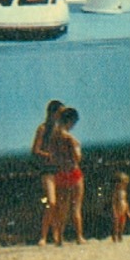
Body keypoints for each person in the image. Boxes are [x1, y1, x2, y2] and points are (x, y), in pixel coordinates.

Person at [31, 99, 64, 246]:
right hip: (47, 170)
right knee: (51, 202)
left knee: (58, 204)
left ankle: (56, 236)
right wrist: (49, 155)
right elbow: (35, 150)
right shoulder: (43, 129)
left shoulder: (59, 130)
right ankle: (44, 236)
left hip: (58, 168)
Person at [52, 105, 85, 245]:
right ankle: (79, 237)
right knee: (76, 207)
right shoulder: (70, 139)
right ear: (70, 121)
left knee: (62, 208)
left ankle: (59, 238)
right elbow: (77, 157)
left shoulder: (54, 137)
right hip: (73, 172)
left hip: (60, 173)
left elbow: (53, 157)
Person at [110, 172, 130, 243]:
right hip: (117, 211)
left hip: (123, 211)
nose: (125, 185)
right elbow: (114, 202)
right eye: (124, 183)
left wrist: (128, 212)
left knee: (122, 225)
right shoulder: (116, 192)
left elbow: (126, 202)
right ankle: (115, 236)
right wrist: (114, 210)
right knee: (116, 225)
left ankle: (120, 236)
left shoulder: (124, 192)